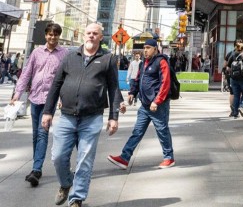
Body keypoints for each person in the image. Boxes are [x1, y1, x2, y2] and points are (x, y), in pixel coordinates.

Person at [42, 22, 121, 207]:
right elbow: (56, 85)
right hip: (67, 116)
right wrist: (48, 112)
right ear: (83, 35)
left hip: (92, 118)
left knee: (84, 160)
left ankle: (76, 198)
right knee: (58, 156)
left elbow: (114, 88)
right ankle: (66, 183)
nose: (91, 36)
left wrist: (113, 117)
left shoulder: (108, 59)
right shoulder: (70, 57)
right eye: (88, 33)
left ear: (101, 37)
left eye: (95, 33)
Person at [11, 22, 67, 187]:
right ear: (45, 35)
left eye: (55, 34)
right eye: (50, 34)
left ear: (59, 36)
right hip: (35, 97)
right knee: (36, 134)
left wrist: (63, 99)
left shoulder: (64, 54)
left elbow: (66, 77)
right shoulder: (37, 52)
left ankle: (36, 169)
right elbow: (26, 73)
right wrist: (17, 94)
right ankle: (37, 166)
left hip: (50, 99)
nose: (52, 37)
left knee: (42, 133)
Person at [107, 38, 175, 171]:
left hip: (158, 106)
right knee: (137, 132)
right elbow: (138, 79)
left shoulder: (161, 61)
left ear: (155, 49)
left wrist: (157, 100)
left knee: (162, 131)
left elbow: (165, 83)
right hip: (145, 105)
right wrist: (132, 92)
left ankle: (169, 158)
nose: (145, 50)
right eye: (144, 48)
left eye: (148, 48)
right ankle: (124, 158)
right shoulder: (143, 63)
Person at [225, 39, 243, 118]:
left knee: (236, 95)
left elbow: (228, 68)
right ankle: (241, 107)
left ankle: (235, 113)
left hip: (233, 79)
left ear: (236, 48)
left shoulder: (232, 56)